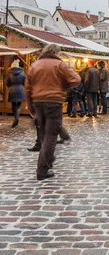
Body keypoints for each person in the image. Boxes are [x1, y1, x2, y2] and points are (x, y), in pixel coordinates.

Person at [25, 44, 80, 180]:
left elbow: (27, 88)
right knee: (51, 135)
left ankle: (48, 159)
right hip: (54, 102)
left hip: (38, 102)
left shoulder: (35, 65)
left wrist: (30, 107)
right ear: (57, 52)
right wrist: (63, 86)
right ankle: (43, 169)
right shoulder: (59, 65)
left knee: (45, 134)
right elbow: (76, 79)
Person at [6, 57, 26, 127]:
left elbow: (7, 83)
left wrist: (10, 87)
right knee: (19, 105)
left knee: (13, 105)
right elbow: (25, 82)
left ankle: (15, 118)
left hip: (12, 90)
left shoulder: (9, 73)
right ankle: (17, 118)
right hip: (21, 89)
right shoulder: (22, 73)